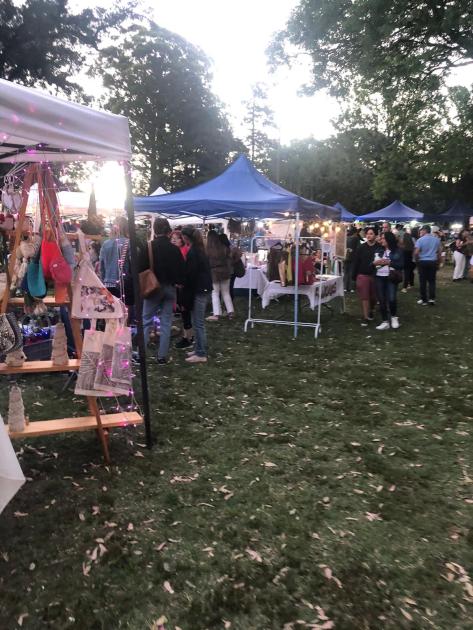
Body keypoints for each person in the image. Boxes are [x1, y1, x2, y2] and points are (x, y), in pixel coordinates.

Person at [139, 217, 185, 365]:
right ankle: (162, 356)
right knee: (166, 322)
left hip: (153, 288)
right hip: (170, 288)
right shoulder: (174, 249)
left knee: (146, 321)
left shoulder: (148, 247)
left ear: (154, 230)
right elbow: (180, 271)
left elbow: (140, 268)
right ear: (168, 231)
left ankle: (141, 355)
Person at [181, 227, 212, 363]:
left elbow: (191, 275)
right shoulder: (199, 250)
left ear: (186, 238)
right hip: (202, 289)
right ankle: (198, 348)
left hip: (199, 290)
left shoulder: (193, 252)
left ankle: (201, 353)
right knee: (196, 321)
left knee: (198, 323)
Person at [99, 217, 134, 306]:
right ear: (126, 228)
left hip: (108, 283)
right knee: (125, 310)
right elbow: (132, 266)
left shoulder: (105, 244)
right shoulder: (129, 243)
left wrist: (103, 280)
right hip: (124, 283)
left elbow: (101, 267)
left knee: (112, 312)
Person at [373, 231, 404, 330]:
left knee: (391, 298)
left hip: (391, 277)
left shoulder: (397, 251)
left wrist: (389, 262)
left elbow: (401, 265)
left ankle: (394, 317)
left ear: (389, 239)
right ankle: (385, 321)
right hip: (379, 276)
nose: (381, 240)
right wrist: (375, 263)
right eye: (381, 238)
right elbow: (373, 263)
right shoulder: (379, 250)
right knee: (381, 299)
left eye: (383, 238)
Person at [206, 229, 234, 320]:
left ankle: (216, 314)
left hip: (214, 273)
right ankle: (230, 312)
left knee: (215, 293)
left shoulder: (207, 250)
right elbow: (229, 258)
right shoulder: (224, 247)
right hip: (225, 271)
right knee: (226, 292)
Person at [352, 227, 378, 326]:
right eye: (367, 234)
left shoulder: (379, 247)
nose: (369, 235)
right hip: (362, 275)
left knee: (373, 297)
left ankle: (371, 309)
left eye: (371, 233)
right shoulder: (361, 248)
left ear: (375, 235)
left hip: (375, 276)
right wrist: (354, 275)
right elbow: (356, 262)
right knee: (365, 297)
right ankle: (365, 317)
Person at [414, 225, 442, 306]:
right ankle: (432, 299)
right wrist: (439, 262)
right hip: (433, 261)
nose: (420, 232)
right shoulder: (436, 240)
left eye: (421, 230)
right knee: (432, 281)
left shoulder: (420, 240)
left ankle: (424, 299)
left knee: (423, 281)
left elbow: (416, 252)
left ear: (425, 230)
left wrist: (417, 261)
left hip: (423, 261)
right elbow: (439, 252)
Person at [219, 233, 243, 300]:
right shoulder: (232, 247)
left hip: (224, 271)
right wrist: (234, 261)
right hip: (232, 271)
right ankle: (230, 303)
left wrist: (232, 261)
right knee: (230, 288)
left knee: (222, 289)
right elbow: (240, 253)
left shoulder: (222, 248)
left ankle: (222, 303)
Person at [344, 226, 360, 292]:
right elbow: (358, 248)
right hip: (353, 257)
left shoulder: (346, 238)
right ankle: (351, 288)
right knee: (352, 272)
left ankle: (345, 287)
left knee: (346, 272)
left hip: (345, 257)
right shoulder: (356, 238)